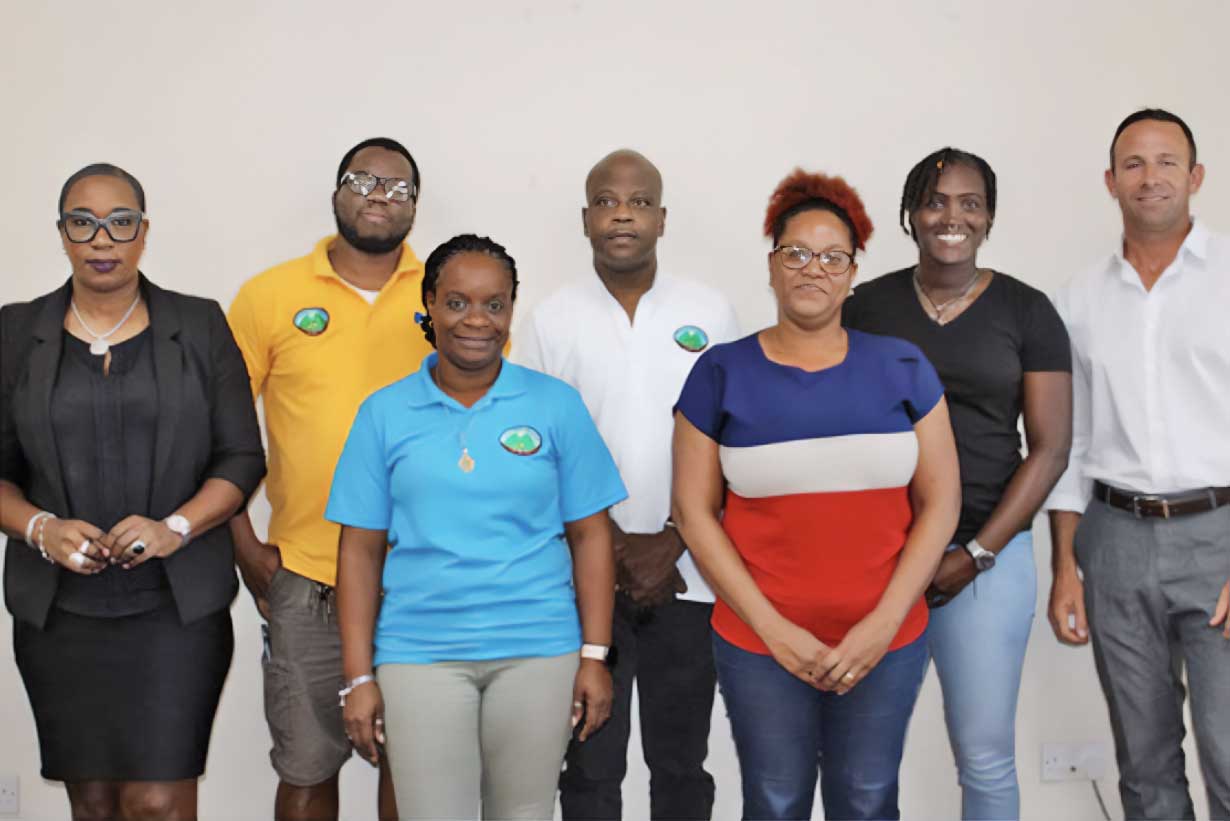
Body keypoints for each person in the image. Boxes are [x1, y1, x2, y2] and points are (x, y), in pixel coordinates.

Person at [671, 169, 962, 821]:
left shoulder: (904, 366)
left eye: (833, 256)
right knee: (775, 801)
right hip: (759, 642)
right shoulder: (719, 372)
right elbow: (693, 511)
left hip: (887, 637)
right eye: (796, 252)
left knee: (866, 798)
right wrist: (775, 631)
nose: (813, 269)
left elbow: (941, 504)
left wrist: (883, 623)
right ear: (772, 265)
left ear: (853, 271)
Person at [325, 233, 626, 820]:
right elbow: (359, 553)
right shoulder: (383, 414)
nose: (477, 320)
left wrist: (594, 654)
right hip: (419, 655)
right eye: (458, 302)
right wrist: (357, 678)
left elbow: (592, 536)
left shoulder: (555, 405)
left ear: (512, 310)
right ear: (430, 305)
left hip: (539, 651)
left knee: (525, 813)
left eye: (495, 304)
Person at [0, 163, 265, 820]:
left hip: (175, 614)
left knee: (157, 802)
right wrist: (41, 528)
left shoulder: (199, 325)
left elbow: (240, 457)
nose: (102, 238)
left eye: (120, 221)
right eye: (82, 222)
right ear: (62, 233)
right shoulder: (14, 332)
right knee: (92, 804)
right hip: (60, 616)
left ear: (143, 232)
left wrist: (174, 526)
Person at [842, 147, 1072, 820]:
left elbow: (1050, 448)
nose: (952, 216)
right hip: (880, 561)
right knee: (863, 761)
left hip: (987, 562)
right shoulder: (866, 307)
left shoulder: (1028, 312)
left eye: (969, 203)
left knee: (986, 758)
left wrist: (974, 555)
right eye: (936, 200)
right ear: (911, 213)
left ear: (989, 217)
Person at [514, 149, 739, 821]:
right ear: (585, 218)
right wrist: (607, 546)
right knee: (589, 765)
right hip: (584, 581)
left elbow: (735, 438)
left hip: (689, 576)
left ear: (662, 219)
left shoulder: (711, 310)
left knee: (680, 762)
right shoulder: (551, 320)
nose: (622, 213)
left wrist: (672, 540)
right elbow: (532, 448)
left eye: (639, 201)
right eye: (607, 201)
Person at [226, 137, 428, 820]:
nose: (379, 194)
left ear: (415, 206)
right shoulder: (269, 295)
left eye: (397, 186)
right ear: (336, 192)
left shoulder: (449, 296)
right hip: (307, 573)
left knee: (414, 765)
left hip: (421, 578)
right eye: (363, 179)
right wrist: (243, 543)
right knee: (307, 768)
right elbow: (213, 429)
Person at [1045, 108, 1230, 820]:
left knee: (1227, 752)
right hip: (1115, 538)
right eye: (1133, 163)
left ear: (1197, 176)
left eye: (1167, 161)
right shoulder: (1080, 299)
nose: (1150, 177)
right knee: (1144, 763)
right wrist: (1065, 563)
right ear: (1110, 181)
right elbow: (1071, 441)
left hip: (1218, 533)